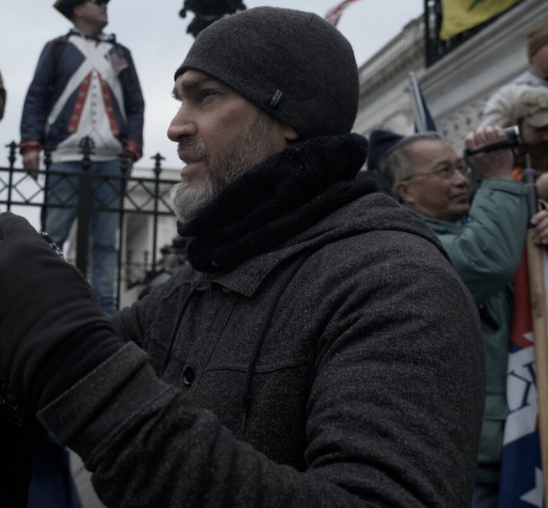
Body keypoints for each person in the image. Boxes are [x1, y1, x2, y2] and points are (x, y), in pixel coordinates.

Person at [1, 7, 485, 507]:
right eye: (179, 100)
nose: (175, 127)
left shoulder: (397, 282)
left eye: (206, 96)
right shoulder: (206, 272)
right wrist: (28, 314)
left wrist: (72, 358)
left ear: (290, 117)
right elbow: (86, 359)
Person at [376, 126, 548, 508]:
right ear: (405, 190)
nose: (459, 180)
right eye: (444, 171)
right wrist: (499, 176)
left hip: (525, 433)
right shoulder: (404, 245)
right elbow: (486, 259)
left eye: (459, 167)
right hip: (476, 461)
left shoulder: (475, 225)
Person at [19, 0, 145, 315]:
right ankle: (43, 307)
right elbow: (36, 97)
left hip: (111, 159)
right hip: (65, 155)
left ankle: (107, 317)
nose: (105, 6)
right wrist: (30, 144)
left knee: (106, 243)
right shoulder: (57, 49)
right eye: (97, 2)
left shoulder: (120, 53)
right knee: (52, 238)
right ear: (77, 9)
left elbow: (134, 103)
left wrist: (133, 145)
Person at [480, 84, 548, 201]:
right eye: (539, 129)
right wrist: (536, 190)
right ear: (516, 124)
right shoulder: (501, 160)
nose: (546, 137)